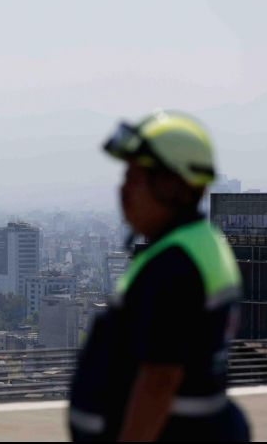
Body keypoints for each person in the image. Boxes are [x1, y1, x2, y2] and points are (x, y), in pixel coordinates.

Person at [68, 110, 250, 442]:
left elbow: (159, 380)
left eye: (137, 178)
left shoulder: (174, 266)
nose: (123, 190)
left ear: (174, 185)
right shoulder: (201, 243)